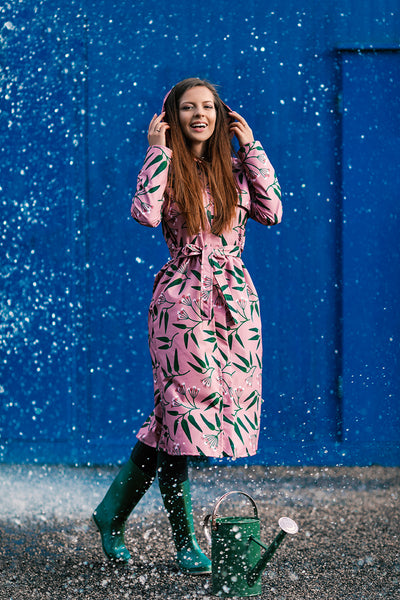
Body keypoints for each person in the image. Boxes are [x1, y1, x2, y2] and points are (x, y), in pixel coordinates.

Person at [92, 77, 282, 574]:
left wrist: (253, 147)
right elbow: (144, 213)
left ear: (221, 115)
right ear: (172, 117)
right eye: (188, 108)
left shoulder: (237, 169)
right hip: (182, 305)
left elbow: (273, 212)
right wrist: (156, 153)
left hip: (236, 307)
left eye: (208, 107)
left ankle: (111, 514)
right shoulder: (167, 166)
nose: (200, 115)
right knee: (179, 420)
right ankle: (184, 542)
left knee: (171, 423)